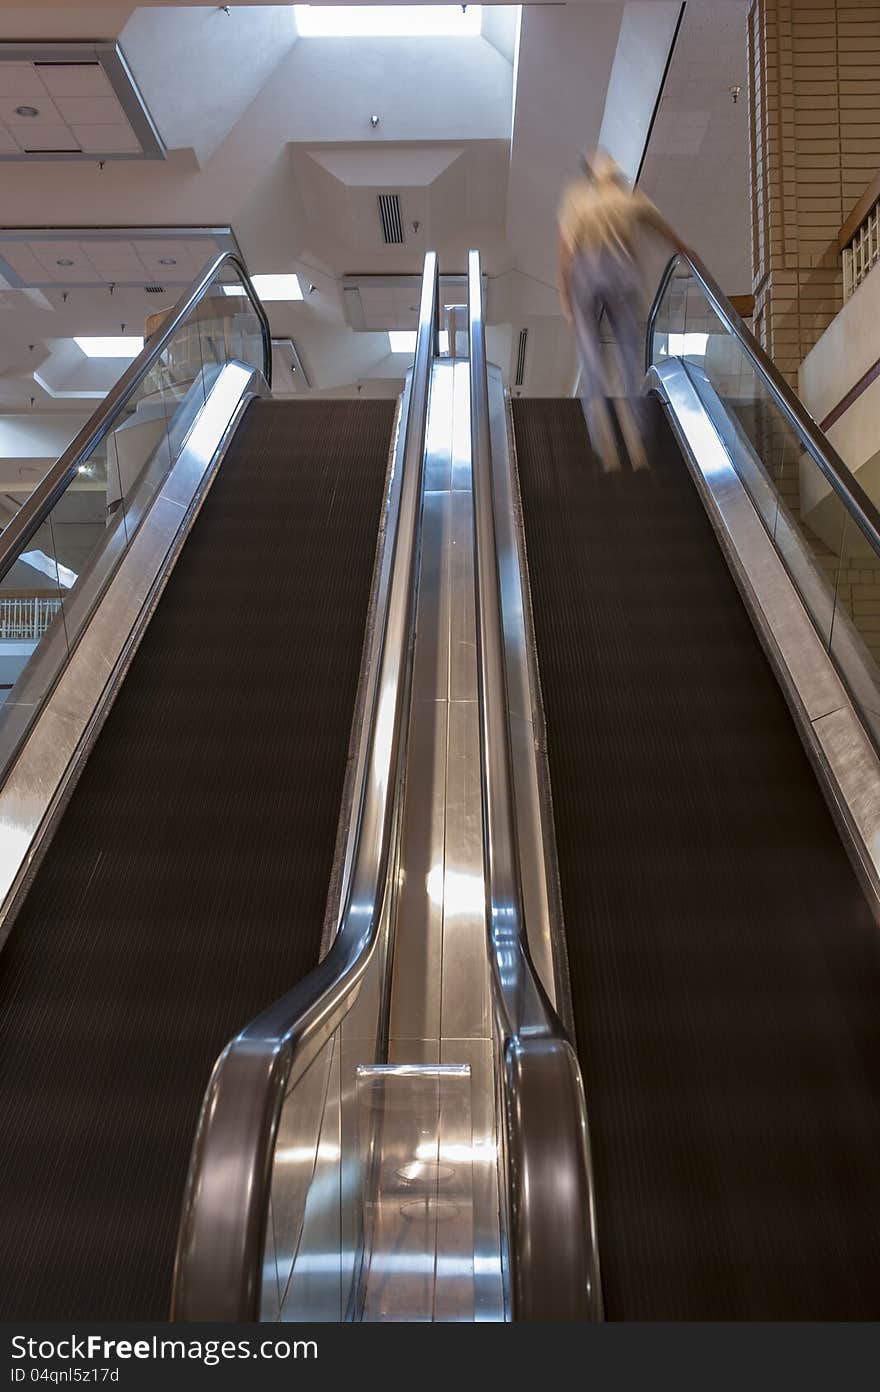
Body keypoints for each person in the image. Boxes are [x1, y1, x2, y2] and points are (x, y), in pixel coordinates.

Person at [558, 150, 686, 471]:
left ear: (589, 176)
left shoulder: (578, 200)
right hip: (625, 275)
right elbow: (662, 229)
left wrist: (565, 295)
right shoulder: (630, 198)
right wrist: (684, 249)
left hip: (588, 274)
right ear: (615, 174)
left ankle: (602, 439)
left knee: (591, 355)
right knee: (630, 354)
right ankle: (637, 431)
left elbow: (568, 251)